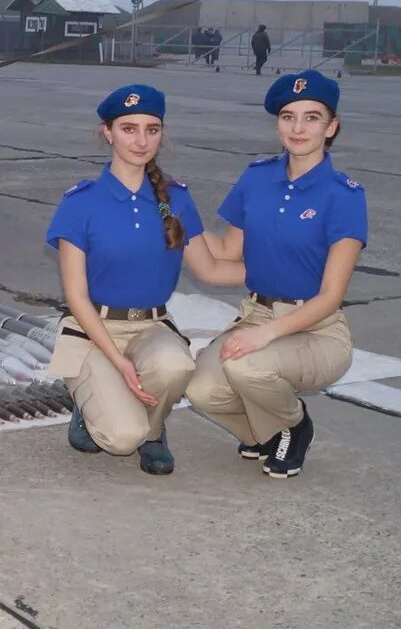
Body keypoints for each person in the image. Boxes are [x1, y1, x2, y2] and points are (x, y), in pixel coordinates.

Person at [45, 84, 244, 475]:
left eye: (151, 129)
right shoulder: (81, 203)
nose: (140, 140)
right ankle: (90, 408)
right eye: (128, 128)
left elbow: (211, 269)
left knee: (176, 367)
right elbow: (76, 296)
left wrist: (286, 275)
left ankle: (154, 432)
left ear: (161, 134)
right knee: (121, 439)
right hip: (92, 332)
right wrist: (118, 360)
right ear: (108, 132)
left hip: (152, 326)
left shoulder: (173, 198)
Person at [187, 70, 364, 479]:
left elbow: (330, 297)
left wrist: (262, 336)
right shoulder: (256, 178)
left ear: (331, 126)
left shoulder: (345, 195)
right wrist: (174, 212)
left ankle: (295, 426)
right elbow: (228, 252)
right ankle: (265, 434)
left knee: (247, 366)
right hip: (257, 314)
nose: (298, 128)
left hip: (316, 328)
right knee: (200, 389)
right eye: (288, 117)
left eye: (312, 117)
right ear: (277, 124)